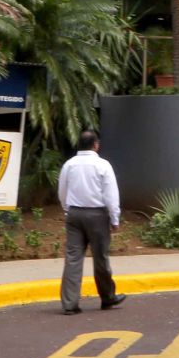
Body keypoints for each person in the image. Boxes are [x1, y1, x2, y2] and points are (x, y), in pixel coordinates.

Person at [57, 128, 127, 315]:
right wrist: (114, 218)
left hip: (74, 214)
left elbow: (62, 191)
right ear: (96, 145)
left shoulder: (69, 165)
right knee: (101, 257)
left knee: (73, 258)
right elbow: (111, 195)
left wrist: (67, 209)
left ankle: (70, 303)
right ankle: (107, 297)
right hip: (97, 215)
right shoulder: (103, 165)